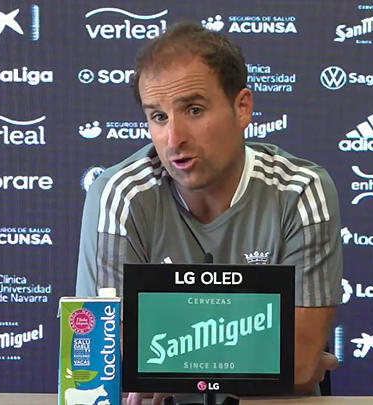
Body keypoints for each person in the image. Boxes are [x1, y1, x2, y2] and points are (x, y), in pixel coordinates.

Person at [76, 22, 342, 403]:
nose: (174, 139)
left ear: (242, 107)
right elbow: (106, 365)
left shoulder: (301, 190)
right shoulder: (119, 195)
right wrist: (267, 357)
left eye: (194, 109)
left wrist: (160, 359)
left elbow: (298, 365)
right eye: (158, 117)